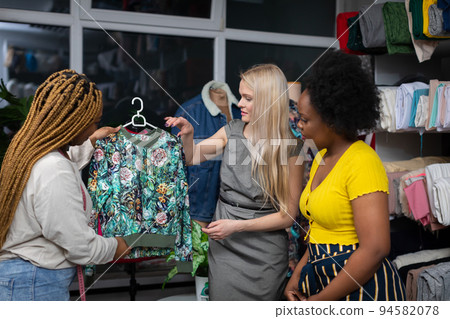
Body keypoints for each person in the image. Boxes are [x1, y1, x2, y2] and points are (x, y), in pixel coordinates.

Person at [165, 64, 304, 301]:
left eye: (247, 98)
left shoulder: (292, 148)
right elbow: (191, 158)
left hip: (265, 255)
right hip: (226, 250)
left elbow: (289, 215)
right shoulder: (232, 130)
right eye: (241, 96)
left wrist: (237, 226)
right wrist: (188, 134)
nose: (239, 103)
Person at [284, 49, 405, 301]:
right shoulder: (320, 157)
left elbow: (376, 248)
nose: (299, 124)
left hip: (359, 287)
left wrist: (320, 301)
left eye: (305, 119)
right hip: (321, 277)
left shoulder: (362, 161)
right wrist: (296, 278)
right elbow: (318, 230)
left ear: (332, 120)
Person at [0, 70, 130, 301]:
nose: (94, 128)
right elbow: (79, 244)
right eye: (93, 123)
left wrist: (91, 140)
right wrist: (116, 247)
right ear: (73, 122)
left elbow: (57, 171)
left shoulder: (29, 154)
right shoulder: (53, 168)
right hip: (35, 283)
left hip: (23, 279)